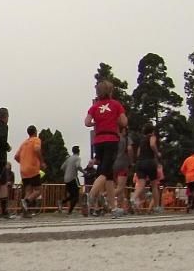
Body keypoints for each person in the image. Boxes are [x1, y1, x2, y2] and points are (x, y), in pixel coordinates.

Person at [85, 80, 128, 217]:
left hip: (98, 140)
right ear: (110, 91)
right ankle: (90, 196)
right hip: (111, 139)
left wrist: (97, 122)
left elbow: (87, 122)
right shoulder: (116, 105)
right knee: (104, 172)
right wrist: (115, 120)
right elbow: (124, 122)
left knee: (108, 175)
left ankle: (113, 208)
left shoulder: (95, 107)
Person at [132, 123, 162, 214]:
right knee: (154, 185)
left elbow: (138, 153)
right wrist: (157, 153)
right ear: (152, 131)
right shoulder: (152, 137)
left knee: (141, 184)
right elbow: (152, 145)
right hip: (149, 161)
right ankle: (156, 206)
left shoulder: (141, 141)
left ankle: (133, 199)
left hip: (140, 162)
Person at [14, 125, 43, 217]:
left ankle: (25, 212)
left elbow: (16, 157)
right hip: (33, 168)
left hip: (23, 170)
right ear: (35, 132)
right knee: (38, 190)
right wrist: (42, 161)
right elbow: (37, 149)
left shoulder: (23, 143)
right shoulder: (36, 139)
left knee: (28, 191)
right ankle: (26, 201)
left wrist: (23, 162)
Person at [59, 145, 84, 216]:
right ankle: (69, 211)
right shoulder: (77, 158)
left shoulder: (68, 159)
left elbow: (62, 167)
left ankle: (62, 201)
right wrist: (84, 172)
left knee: (72, 195)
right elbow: (78, 166)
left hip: (66, 179)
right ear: (78, 152)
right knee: (76, 196)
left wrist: (68, 171)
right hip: (73, 178)